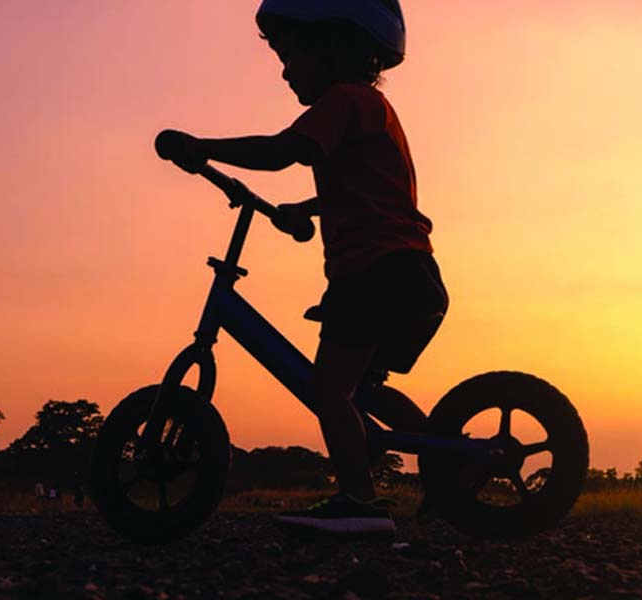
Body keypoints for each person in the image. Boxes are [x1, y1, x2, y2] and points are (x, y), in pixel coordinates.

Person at [164, 0, 448, 536]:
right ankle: (448, 468)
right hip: (410, 275)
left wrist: (203, 148)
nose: (284, 68)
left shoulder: (343, 101)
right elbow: (371, 189)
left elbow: (280, 151)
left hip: (372, 273)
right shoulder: (370, 111)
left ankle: (359, 504)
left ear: (335, 47)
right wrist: (305, 210)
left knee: (329, 389)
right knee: (361, 390)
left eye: (290, 53)